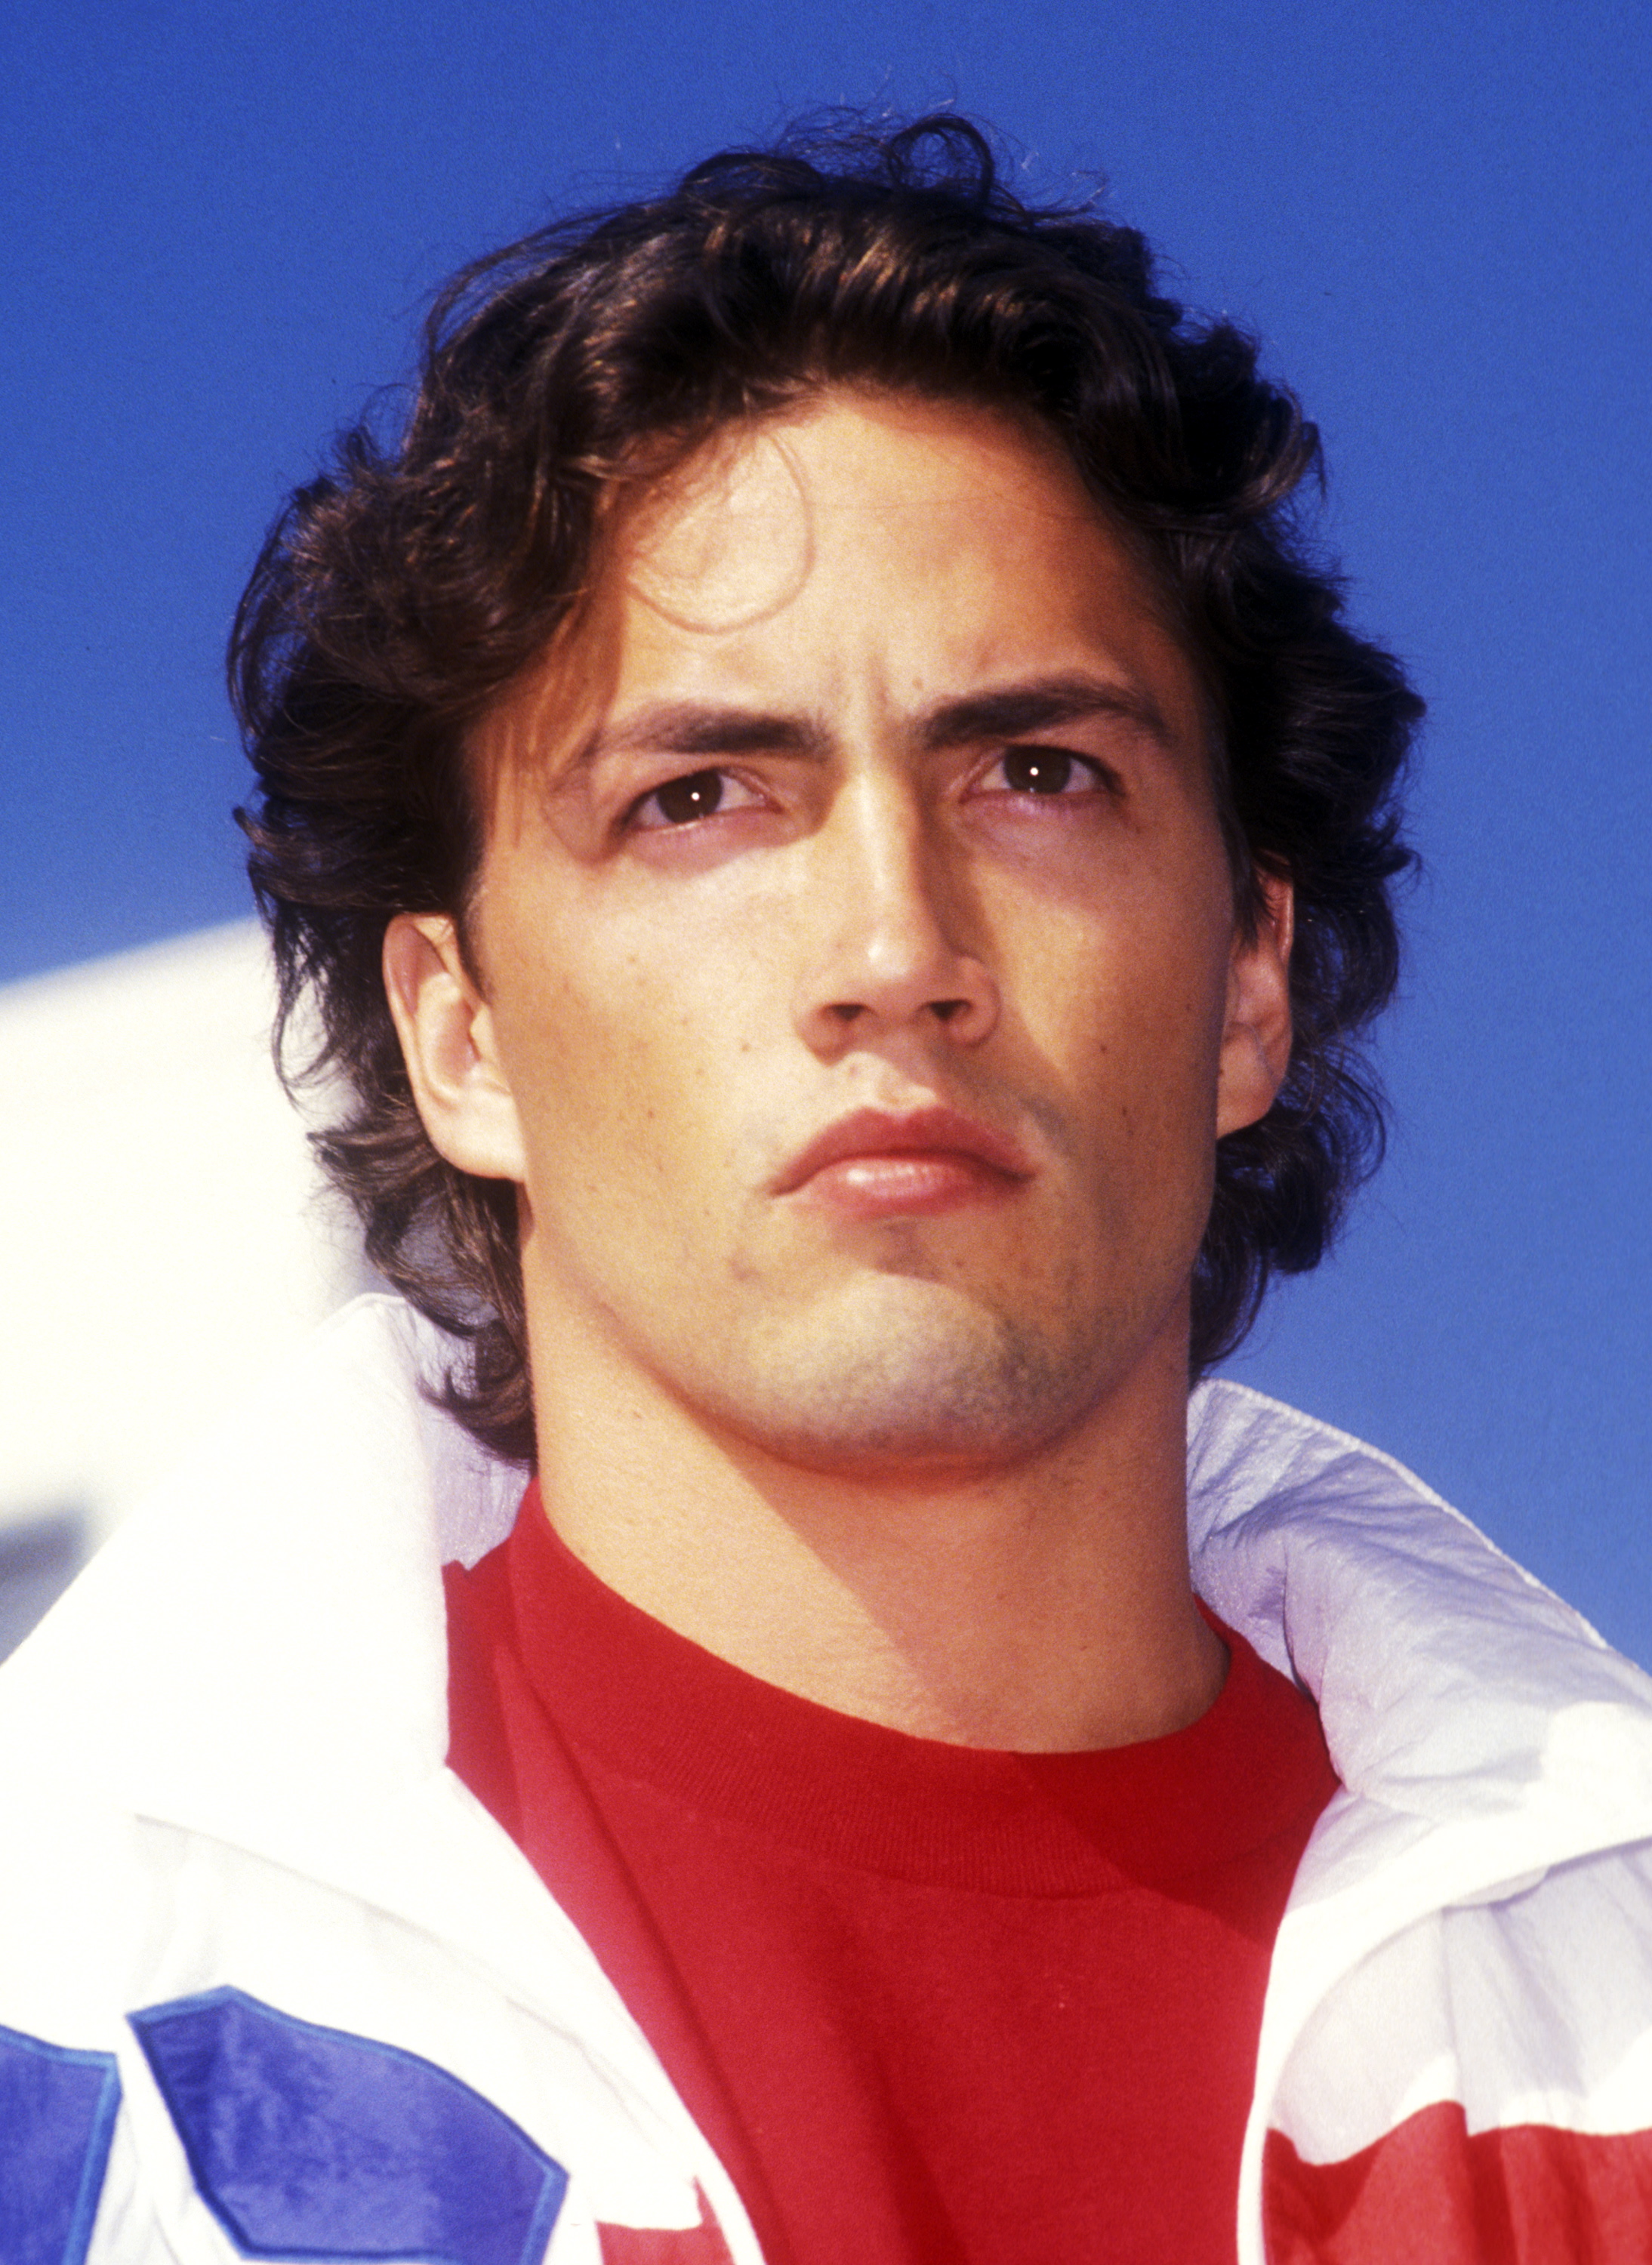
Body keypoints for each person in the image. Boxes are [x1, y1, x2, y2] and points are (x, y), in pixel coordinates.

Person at [3, 116, 1650, 2265]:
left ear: (1248, 980)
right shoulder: (60, 2025)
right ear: (459, 1031)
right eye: (699, 797)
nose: (895, 949)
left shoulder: (1607, 2027)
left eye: (1035, 775)